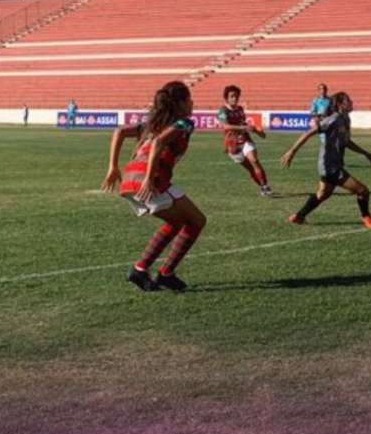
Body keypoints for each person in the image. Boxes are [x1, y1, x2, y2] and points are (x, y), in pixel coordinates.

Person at [101, 81, 205, 293]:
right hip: (149, 181)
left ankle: (143, 271)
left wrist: (113, 167)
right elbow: (158, 143)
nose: (192, 103)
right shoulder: (185, 123)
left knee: (177, 222)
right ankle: (163, 273)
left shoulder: (153, 124)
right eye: (189, 99)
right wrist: (149, 178)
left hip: (129, 180)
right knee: (197, 221)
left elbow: (119, 131)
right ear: (181, 103)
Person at [280, 91, 371, 229]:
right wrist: (292, 151)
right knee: (362, 191)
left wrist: (365, 153)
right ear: (340, 104)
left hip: (333, 164)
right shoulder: (333, 119)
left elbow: (346, 142)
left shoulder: (345, 119)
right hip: (329, 166)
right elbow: (308, 133)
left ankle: (299, 216)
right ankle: (367, 218)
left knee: (323, 194)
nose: (352, 103)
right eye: (348, 100)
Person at [218, 85, 273, 196]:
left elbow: (243, 123)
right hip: (232, 144)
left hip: (245, 139)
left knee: (254, 160)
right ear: (226, 98)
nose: (235, 98)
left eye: (236, 96)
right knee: (250, 168)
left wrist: (254, 129)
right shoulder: (223, 110)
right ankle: (262, 186)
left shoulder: (240, 109)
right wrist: (243, 127)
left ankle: (265, 186)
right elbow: (226, 126)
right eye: (232, 96)